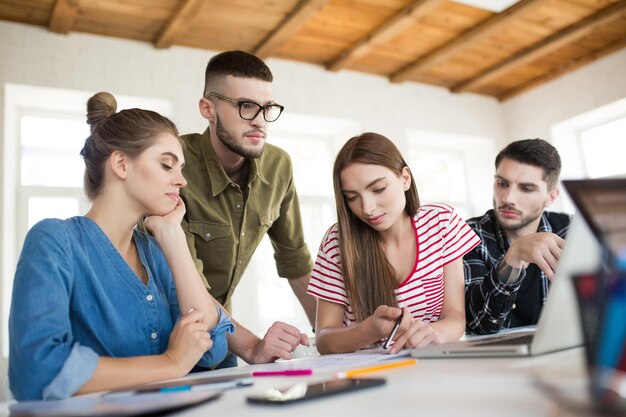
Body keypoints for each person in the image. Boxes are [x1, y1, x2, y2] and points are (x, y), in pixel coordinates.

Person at [8, 92, 233, 401]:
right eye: (168, 166)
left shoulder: (155, 252)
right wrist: (170, 363)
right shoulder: (54, 241)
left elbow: (212, 348)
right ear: (122, 164)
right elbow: (37, 371)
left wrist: (174, 237)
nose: (182, 181)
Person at [180, 50, 315, 365]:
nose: (259, 120)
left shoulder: (279, 165)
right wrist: (253, 347)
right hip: (165, 338)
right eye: (245, 106)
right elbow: (179, 283)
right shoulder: (174, 163)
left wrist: (333, 336)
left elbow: (295, 260)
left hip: (223, 338)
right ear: (208, 109)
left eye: (267, 108)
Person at [307, 133, 480, 354]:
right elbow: (324, 341)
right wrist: (370, 329)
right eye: (352, 197)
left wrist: (435, 333)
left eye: (378, 189)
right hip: (365, 377)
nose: (367, 208)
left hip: (431, 368)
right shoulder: (336, 243)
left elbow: (455, 316)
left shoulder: (441, 222)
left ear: (405, 178)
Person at [464, 138, 571, 335]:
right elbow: (478, 325)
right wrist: (514, 256)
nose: (508, 198)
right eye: (502, 183)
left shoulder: (572, 231)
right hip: (494, 361)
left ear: (551, 197)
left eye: (527, 188)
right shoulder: (468, 235)